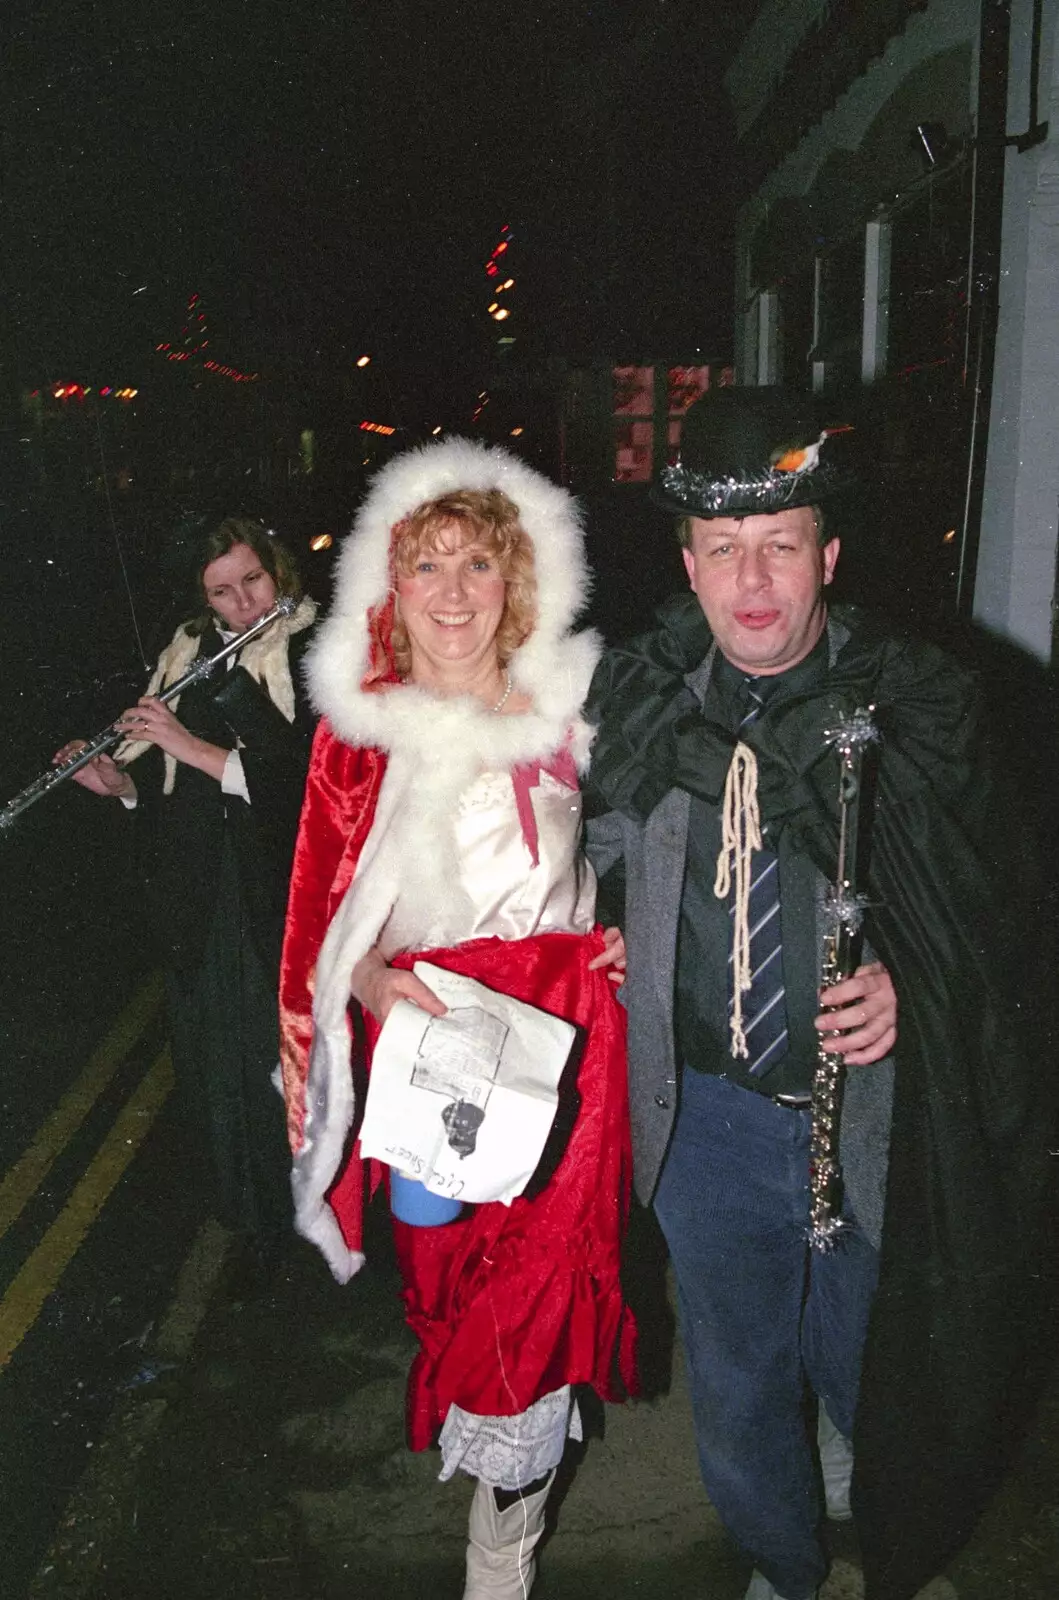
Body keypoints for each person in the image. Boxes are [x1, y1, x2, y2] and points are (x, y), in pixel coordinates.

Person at [583, 387, 1054, 1600]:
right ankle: (785, 1572)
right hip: (708, 1123)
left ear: (826, 556)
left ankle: (897, 1551)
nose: (754, 579)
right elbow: (581, 859)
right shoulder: (639, 701)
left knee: (881, 1369)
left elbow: (1000, 920)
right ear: (688, 566)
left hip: (879, 1122)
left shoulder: (922, 704)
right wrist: (606, 931)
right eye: (725, 551)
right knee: (740, 1390)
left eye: (781, 545)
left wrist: (913, 985)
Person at [278, 438, 637, 1600]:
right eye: (425, 565)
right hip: (439, 1053)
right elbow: (331, 922)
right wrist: (380, 988)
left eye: (475, 564)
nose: (449, 592)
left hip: (573, 1042)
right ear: (395, 586)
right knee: (454, 1290)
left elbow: (634, 845)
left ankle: (500, 1565)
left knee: (538, 1299)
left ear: (514, 582)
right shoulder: (366, 733)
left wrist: (621, 930)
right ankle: (505, 1516)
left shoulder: (575, 708)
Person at [56, 515, 317, 1265]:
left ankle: (288, 1227)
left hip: (265, 884)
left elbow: (295, 787)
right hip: (197, 884)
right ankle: (246, 1217)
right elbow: (164, 786)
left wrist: (183, 741)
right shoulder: (188, 650)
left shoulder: (309, 648)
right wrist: (117, 782)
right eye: (221, 592)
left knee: (266, 1061)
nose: (241, 604)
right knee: (209, 1062)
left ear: (279, 573)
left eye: (253, 581)